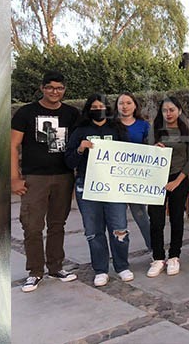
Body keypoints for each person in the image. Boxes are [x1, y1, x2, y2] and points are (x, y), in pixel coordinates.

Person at [11, 71, 80, 293]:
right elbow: (12, 146)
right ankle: (35, 271)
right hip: (35, 178)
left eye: (59, 88)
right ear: (42, 88)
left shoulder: (71, 114)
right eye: (50, 87)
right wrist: (14, 177)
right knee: (32, 226)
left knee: (57, 225)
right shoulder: (26, 113)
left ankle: (56, 267)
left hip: (63, 176)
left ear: (64, 90)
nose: (55, 92)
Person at [65, 93, 134, 287]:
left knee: (119, 227)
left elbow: (130, 156)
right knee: (94, 230)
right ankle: (101, 269)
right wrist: (80, 149)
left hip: (113, 186)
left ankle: (122, 266)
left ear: (108, 109)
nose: (98, 110)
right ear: (88, 110)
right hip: (87, 185)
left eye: (101, 106)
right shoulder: (80, 131)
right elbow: (69, 161)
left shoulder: (117, 129)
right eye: (94, 107)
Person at [147, 97, 189, 277]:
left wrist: (177, 181)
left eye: (172, 109)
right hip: (157, 179)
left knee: (177, 219)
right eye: (165, 110)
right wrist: (153, 148)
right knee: (156, 220)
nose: (168, 113)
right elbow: (145, 153)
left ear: (179, 111)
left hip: (179, 179)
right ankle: (158, 258)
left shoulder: (186, 130)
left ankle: (174, 256)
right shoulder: (155, 130)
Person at [115, 92, 152, 251]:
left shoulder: (143, 126)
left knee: (141, 216)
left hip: (135, 180)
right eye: (121, 103)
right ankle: (121, 259)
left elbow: (150, 148)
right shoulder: (111, 125)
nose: (125, 106)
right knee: (118, 221)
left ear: (135, 105)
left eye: (128, 103)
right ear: (117, 106)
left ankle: (154, 251)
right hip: (114, 179)